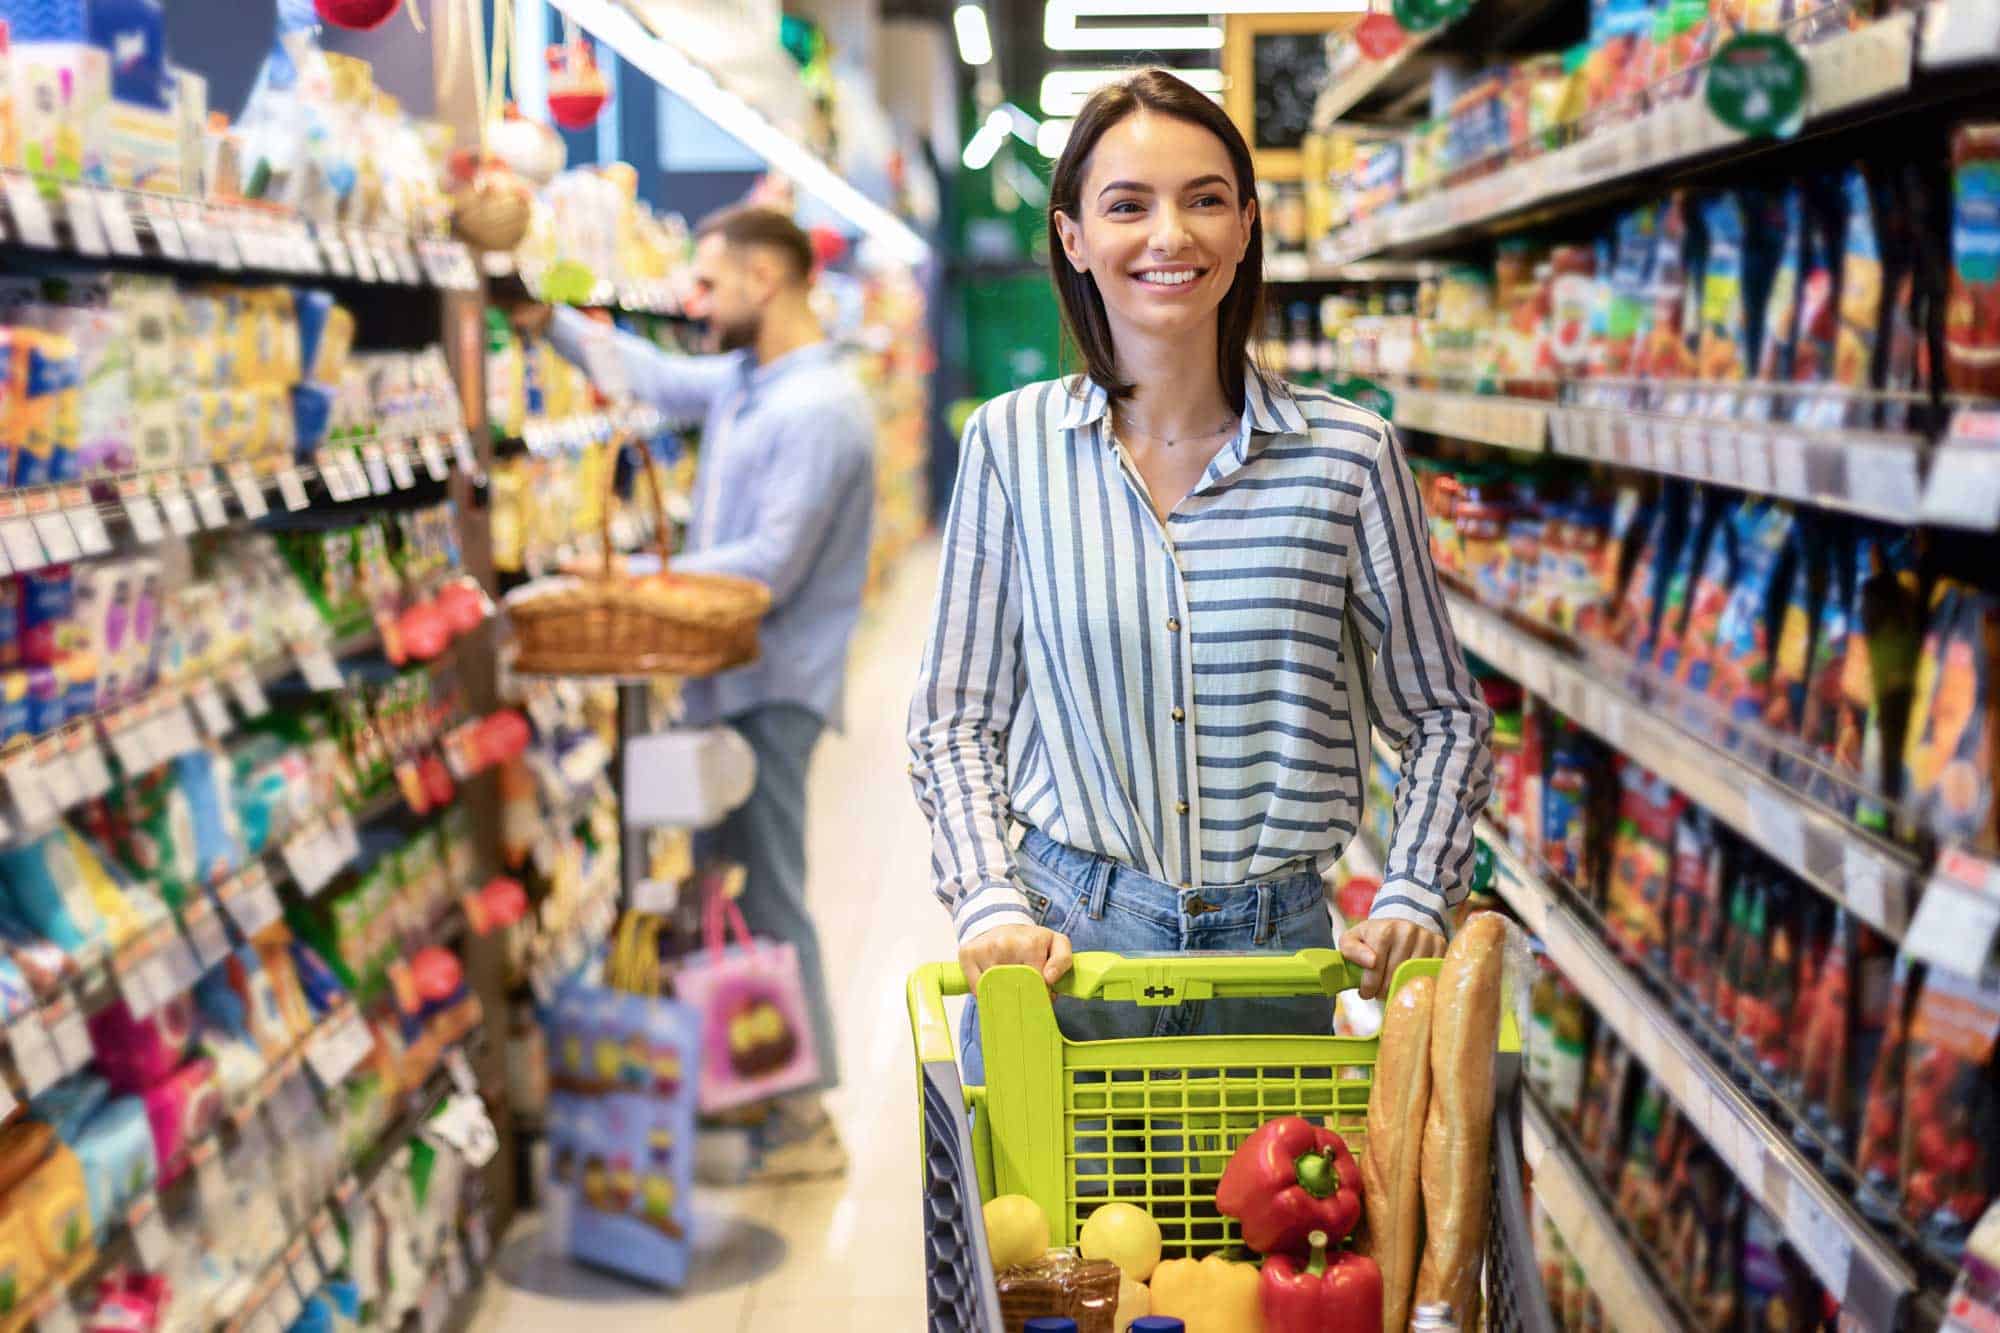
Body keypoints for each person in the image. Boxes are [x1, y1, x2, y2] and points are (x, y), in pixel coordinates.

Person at [907, 70, 1492, 1080]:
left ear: (1245, 227)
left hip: (1276, 966)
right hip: (1061, 968)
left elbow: (1442, 717)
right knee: (1053, 1244)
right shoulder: (1012, 445)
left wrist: (1414, 890)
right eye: (1126, 205)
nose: (1168, 234)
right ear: (1072, 238)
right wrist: (986, 896)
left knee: (1262, 1240)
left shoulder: (1348, 457)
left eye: (1204, 198)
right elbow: (954, 719)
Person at [526, 205, 875, 1180]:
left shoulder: (821, 408)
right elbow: (652, 377)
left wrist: (632, 580)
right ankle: (751, 1081)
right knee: (729, 890)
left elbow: (769, 563)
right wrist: (540, 318)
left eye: (712, 285)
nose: (697, 302)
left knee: (768, 891)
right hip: (730, 682)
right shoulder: (746, 380)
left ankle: (802, 1116)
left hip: (775, 686)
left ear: (765, 282)